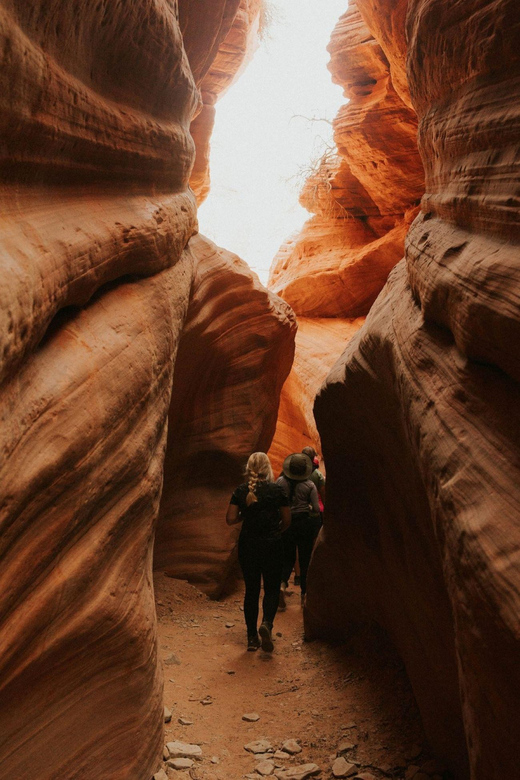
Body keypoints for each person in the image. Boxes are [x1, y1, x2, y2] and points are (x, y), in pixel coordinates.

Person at [226, 452, 291, 652]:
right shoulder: (277, 490)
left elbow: (230, 518)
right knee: (271, 588)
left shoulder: (241, 490)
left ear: (249, 468)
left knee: (251, 591)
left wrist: (245, 516)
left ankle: (252, 637)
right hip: (272, 545)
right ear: (267, 467)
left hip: (249, 545)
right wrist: (275, 531)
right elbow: (287, 520)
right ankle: (267, 625)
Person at [276, 453, 320, 608]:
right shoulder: (309, 486)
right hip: (304, 524)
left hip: (286, 522)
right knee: (304, 558)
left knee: (287, 557)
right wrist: (307, 507)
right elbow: (315, 509)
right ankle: (304, 595)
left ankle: (282, 585)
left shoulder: (280, 481)